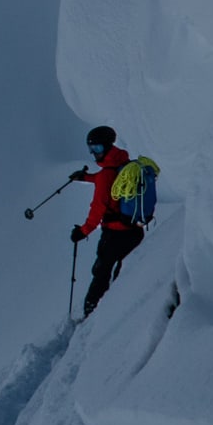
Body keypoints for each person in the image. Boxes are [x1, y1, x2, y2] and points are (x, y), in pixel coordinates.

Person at [69, 125, 143, 317]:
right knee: (125, 271)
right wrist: (87, 177)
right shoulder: (126, 164)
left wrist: (82, 232)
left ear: (108, 146)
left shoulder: (105, 175)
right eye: (92, 150)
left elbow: (98, 209)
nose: (95, 154)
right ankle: (122, 306)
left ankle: (91, 313)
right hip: (134, 231)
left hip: (114, 235)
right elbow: (111, 181)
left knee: (101, 273)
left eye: (98, 149)